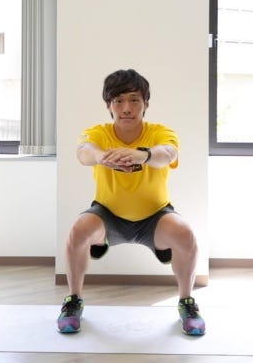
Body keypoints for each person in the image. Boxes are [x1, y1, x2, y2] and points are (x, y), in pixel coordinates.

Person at [57, 69, 205, 336]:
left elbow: (168, 153)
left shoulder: (160, 132)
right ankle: (73, 301)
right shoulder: (98, 133)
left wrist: (142, 155)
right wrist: (101, 157)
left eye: (135, 100)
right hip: (107, 215)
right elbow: (83, 152)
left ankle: (187, 302)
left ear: (146, 103)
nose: (127, 108)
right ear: (109, 105)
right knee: (78, 230)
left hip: (155, 216)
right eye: (119, 101)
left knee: (186, 234)